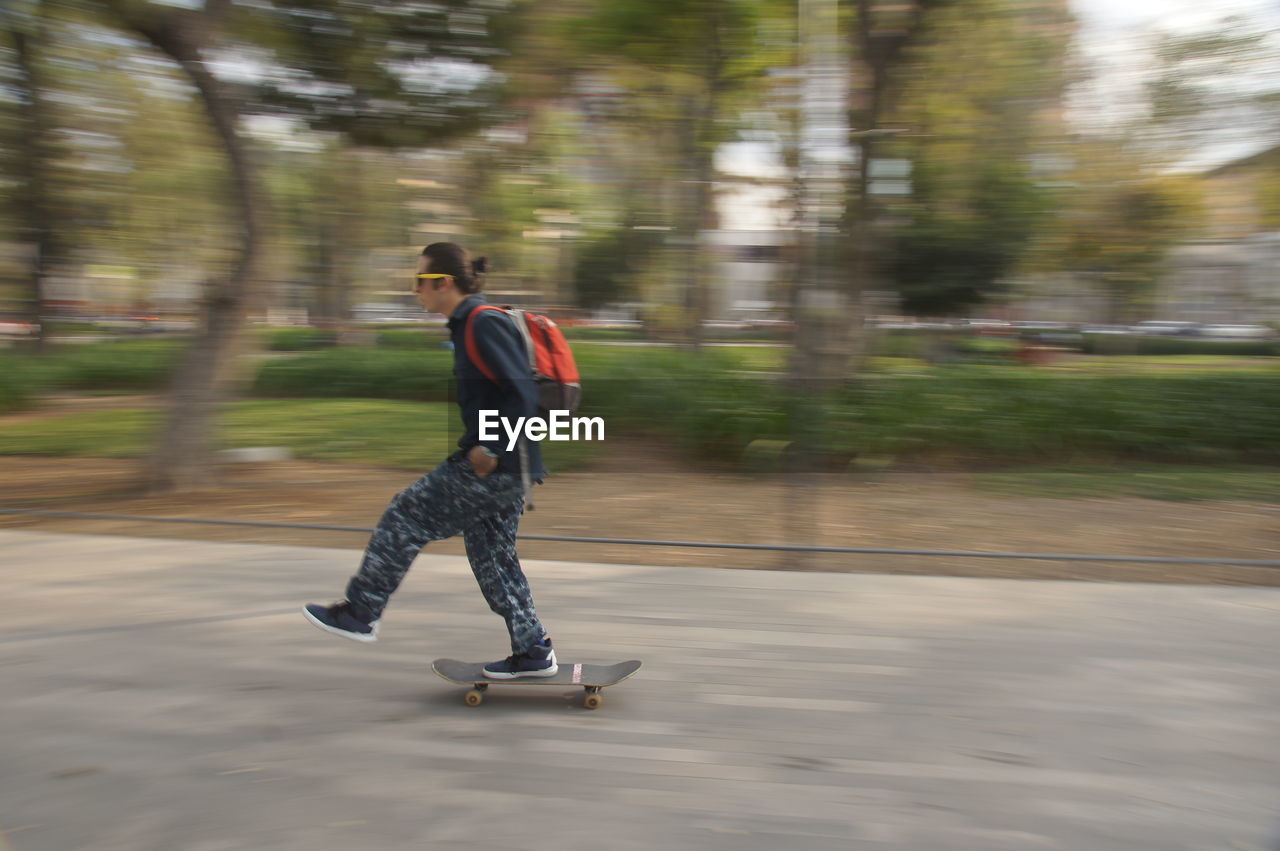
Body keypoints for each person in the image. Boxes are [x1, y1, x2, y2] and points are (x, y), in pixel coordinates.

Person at [303, 242, 557, 680]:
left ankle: (361, 610)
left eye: (418, 281)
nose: (415, 291)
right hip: (512, 467)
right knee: (493, 556)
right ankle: (532, 648)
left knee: (407, 513)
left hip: (495, 464)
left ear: (443, 283)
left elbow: (524, 395)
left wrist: (491, 447)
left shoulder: (481, 323)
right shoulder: (468, 324)